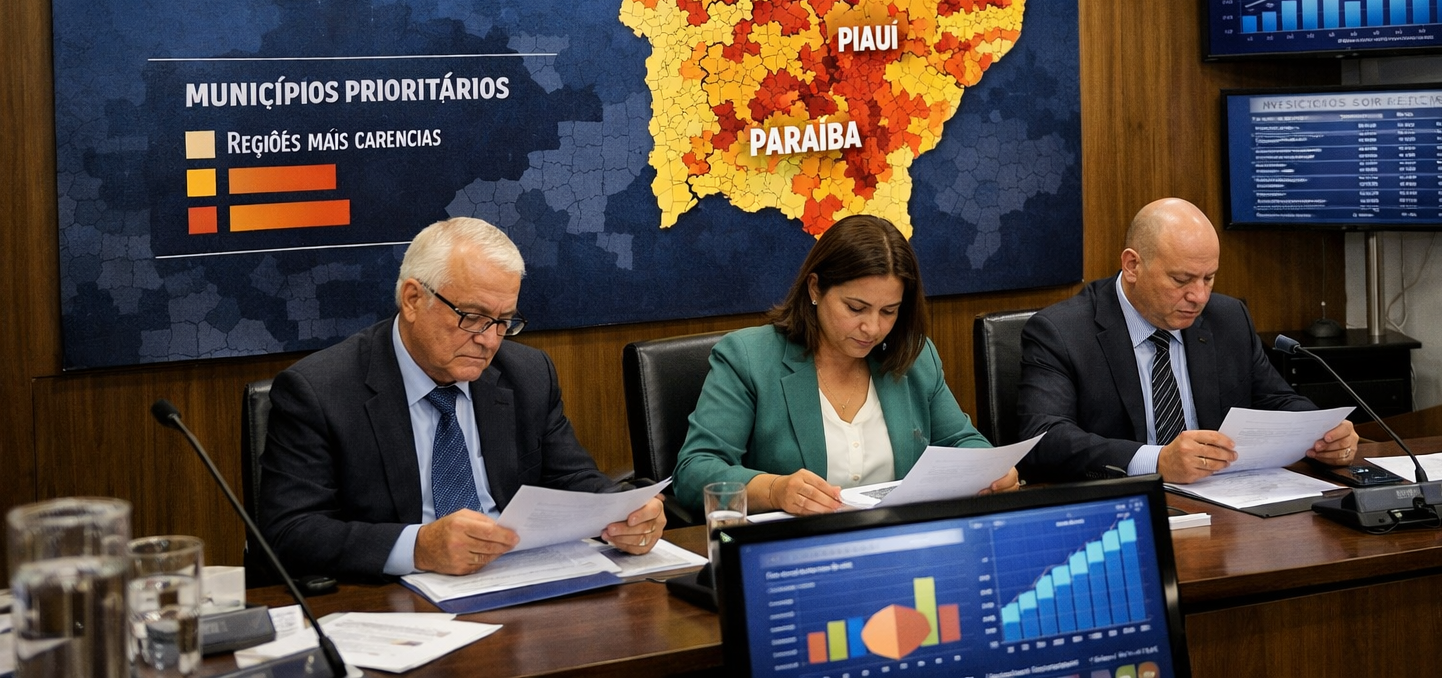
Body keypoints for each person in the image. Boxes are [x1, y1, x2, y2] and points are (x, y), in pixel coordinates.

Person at [260, 217, 665, 582]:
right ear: (413, 299)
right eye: (471, 317)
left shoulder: (527, 374)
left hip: (519, 582)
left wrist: (623, 512)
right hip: (396, 602)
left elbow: (570, 479)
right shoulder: (320, 390)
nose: (489, 340)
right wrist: (418, 546)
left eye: (504, 321)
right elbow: (291, 532)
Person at [673, 214, 1019, 516]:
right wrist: (774, 490)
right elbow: (695, 471)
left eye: (889, 311)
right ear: (815, 288)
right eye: (856, 308)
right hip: (797, 550)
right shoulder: (749, 357)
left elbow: (961, 441)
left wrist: (991, 469)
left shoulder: (913, 355)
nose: (872, 327)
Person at [1016, 197, 1358, 483]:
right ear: (1132, 265)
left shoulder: (1228, 318)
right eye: (1182, 279)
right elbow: (1044, 438)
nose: (1199, 296)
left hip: (1224, 501)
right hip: (1125, 506)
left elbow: (1278, 401)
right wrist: (1158, 460)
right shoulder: (1061, 332)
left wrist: (1324, 433)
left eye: (1208, 278)